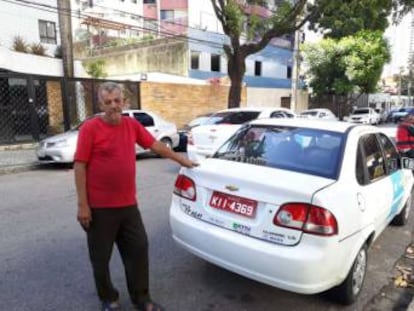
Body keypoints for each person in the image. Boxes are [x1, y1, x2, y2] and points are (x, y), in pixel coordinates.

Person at [74, 82, 198, 311]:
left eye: (117, 101)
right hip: (99, 208)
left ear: (124, 102)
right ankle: (108, 297)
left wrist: (181, 160)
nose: (113, 106)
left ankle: (141, 298)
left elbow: (155, 146)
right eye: (108, 102)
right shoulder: (90, 128)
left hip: (128, 206)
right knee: (100, 259)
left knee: (138, 251)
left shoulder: (131, 125)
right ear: (101, 104)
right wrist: (83, 205)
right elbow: (80, 166)